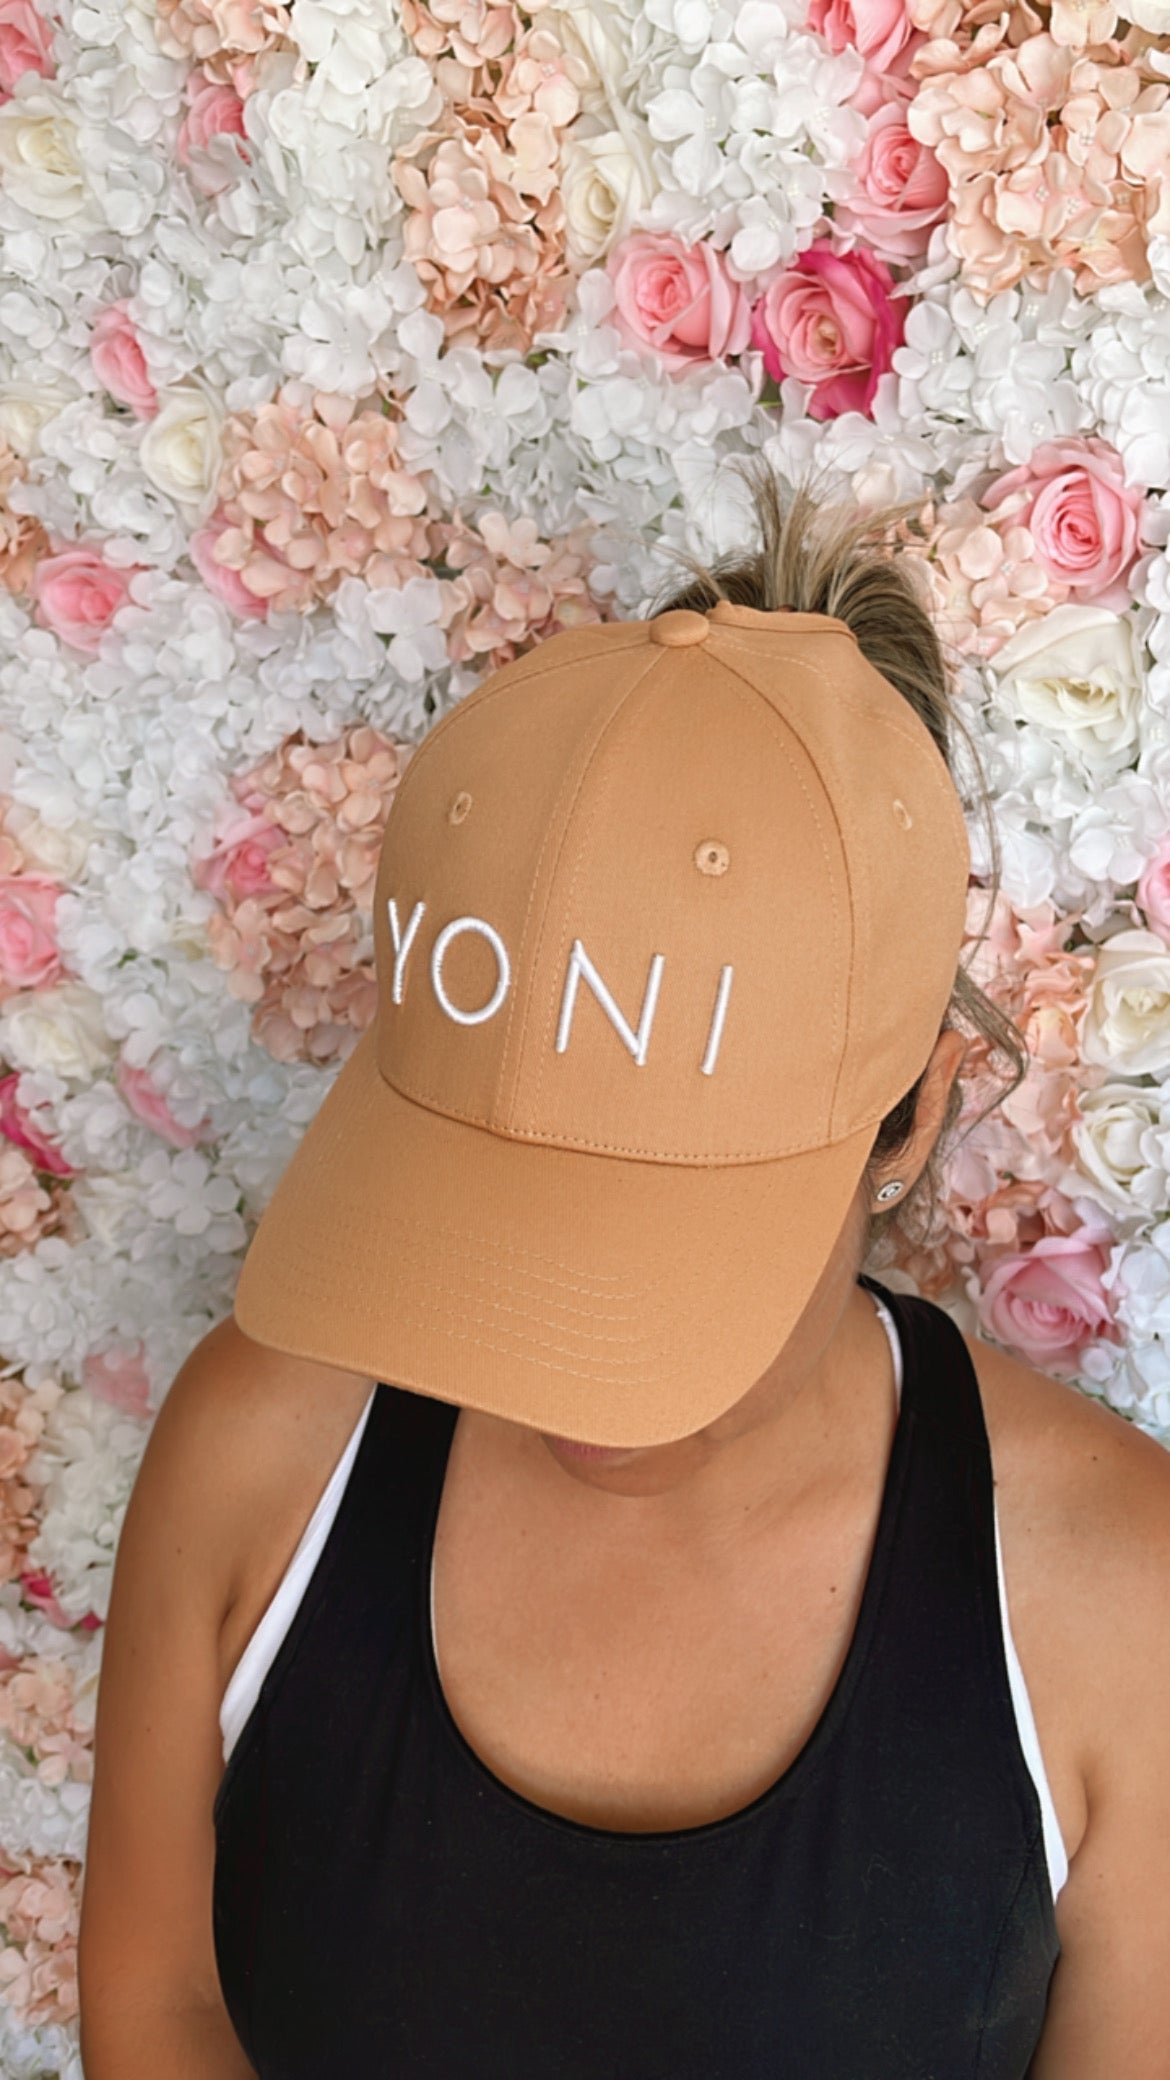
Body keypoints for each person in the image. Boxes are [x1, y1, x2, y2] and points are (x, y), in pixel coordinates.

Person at [77, 472, 1170, 2078]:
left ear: (913, 1113)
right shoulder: (264, 1451)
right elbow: (159, 2005)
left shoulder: (1114, 1592)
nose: (566, 1359)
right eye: (511, 1207)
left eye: (670, 1246)